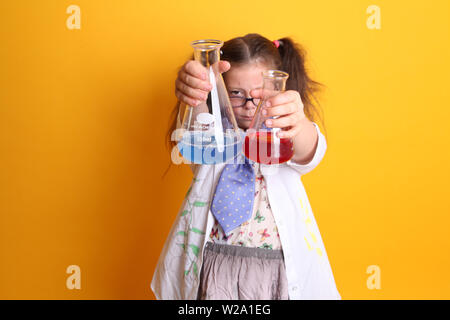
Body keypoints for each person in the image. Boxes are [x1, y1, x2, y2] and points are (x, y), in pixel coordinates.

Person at [151, 33, 341, 300]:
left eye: (259, 96)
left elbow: (311, 150)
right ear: (220, 88)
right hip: (215, 268)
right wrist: (196, 93)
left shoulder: (280, 136)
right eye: (236, 94)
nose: (249, 106)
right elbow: (195, 133)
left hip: (276, 269)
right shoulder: (214, 137)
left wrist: (297, 121)